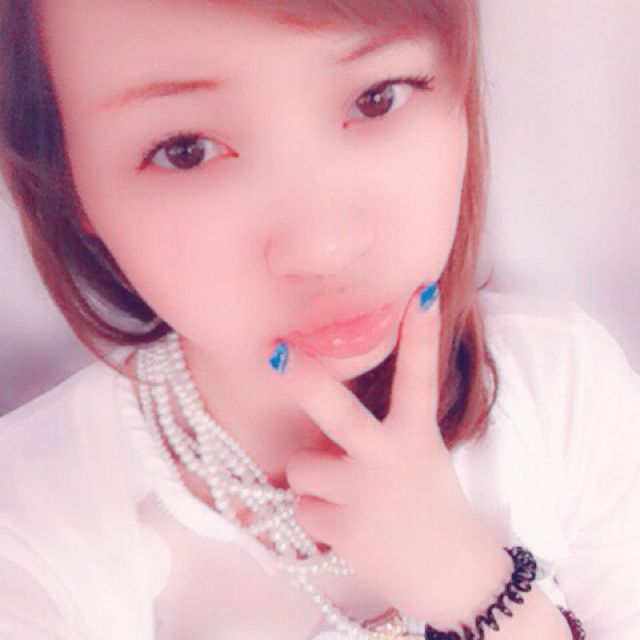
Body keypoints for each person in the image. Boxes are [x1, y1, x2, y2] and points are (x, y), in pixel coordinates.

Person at [0, 0, 637, 638]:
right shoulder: (33, 520)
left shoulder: (561, 385)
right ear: (66, 181)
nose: (325, 249)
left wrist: (478, 591)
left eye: (377, 99)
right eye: (186, 151)